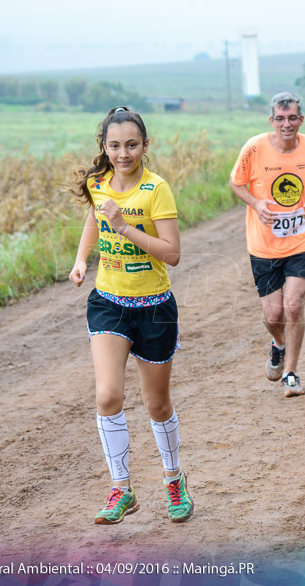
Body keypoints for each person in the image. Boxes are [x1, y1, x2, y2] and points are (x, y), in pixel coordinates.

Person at [69, 106, 194, 524]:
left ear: (145, 146)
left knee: (157, 404)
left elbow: (172, 254)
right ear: (104, 146)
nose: (123, 153)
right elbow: (93, 217)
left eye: (132, 145)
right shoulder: (98, 183)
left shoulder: (157, 189)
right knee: (107, 395)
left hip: (154, 308)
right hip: (109, 303)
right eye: (115, 145)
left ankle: (173, 479)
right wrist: (82, 259)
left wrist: (124, 227)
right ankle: (121, 488)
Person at [229, 92, 305, 397]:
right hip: (263, 244)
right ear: (271, 120)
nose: (286, 124)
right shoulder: (255, 148)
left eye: (292, 118)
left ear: (301, 119)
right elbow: (236, 182)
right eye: (280, 118)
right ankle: (279, 344)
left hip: (301, 240)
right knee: (273, 316)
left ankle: (291, 373)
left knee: (294, 304)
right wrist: (256, 203)